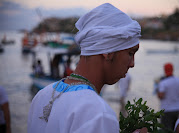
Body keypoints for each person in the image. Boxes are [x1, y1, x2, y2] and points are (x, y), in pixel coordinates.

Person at [28, 3, 147, 133]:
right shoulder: (98, 115)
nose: (132, 63)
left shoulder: (41, 96)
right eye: (130, 53)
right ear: (107, 51)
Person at [157, 63, 179, 130]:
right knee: (174, 129)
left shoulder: (163, 82)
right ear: (173, 69)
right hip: (177, 109)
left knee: (165, 130)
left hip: (166, 110)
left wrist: (157, 88)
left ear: (164, 70)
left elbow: (161, 96)